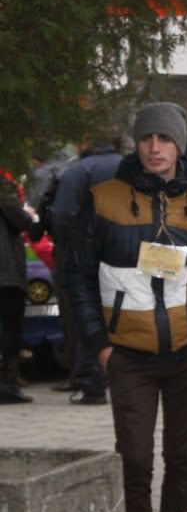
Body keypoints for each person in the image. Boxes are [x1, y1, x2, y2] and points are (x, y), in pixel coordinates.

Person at [66, 103, 187, 512]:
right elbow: (78, 277)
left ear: (179, 145)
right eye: (147, 138)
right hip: (127, 354)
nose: (155, 147)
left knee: (183, 462)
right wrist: (100, 345)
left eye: (165, 139)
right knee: (135, 461)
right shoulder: (103, 198)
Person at [45, 148, 122, 404]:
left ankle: (90, 381)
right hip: (124, 253)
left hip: (83, 253)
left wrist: (70, 241)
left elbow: (62, 214)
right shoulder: (128, 165)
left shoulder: (77, 171)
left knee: (83, 312)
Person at [1, 174, 41, 404]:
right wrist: (29, 214)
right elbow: (20, 219)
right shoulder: (2, 184)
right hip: (5, 270)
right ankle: (7, 385)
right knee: (10, 326)